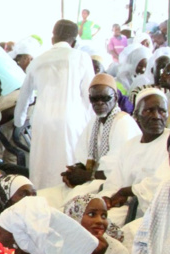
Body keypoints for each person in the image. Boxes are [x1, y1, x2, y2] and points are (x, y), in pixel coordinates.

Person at [40, 73, 142, 208]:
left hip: (111, 186)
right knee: (43, 196)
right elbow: (85, 156)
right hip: (93, 180)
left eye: (105, 98)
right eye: (94, 99)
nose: (99, 103)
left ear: (116, 97)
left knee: (65, 206)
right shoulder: (95, 121)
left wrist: (86, 176)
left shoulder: (123, 123)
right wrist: (75, 171)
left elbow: (116, 171)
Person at [14, 20, 95, 190]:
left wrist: (19, 121)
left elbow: (24, 97)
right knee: (69, 161)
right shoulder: (81, 57)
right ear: (74, 40)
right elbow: (89, 95)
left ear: (53, 38)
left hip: (42, 119)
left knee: (42, 164)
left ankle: (41, 197)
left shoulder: (37, 61)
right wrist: (91, 125)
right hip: (71, 119)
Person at [100, 89, 170, 226]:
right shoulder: (129, 146)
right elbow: (115, 181)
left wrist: (127, 191)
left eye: (162, 111)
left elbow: (163, 184)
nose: (156, 116)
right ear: (136, 115)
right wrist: (107, 198)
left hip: (155, 215)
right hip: (124, 208)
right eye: (149, 111)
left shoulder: (168, 142)